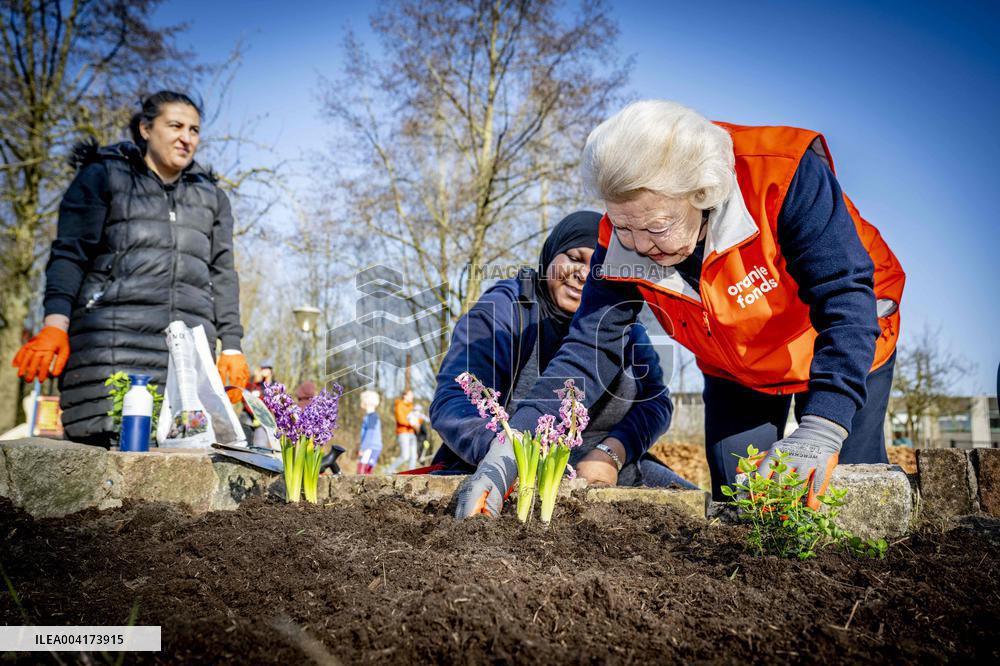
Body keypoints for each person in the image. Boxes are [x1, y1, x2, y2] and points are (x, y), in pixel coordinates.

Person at [455, 101, 905, 518]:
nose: (638, 246)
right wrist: (513, 447)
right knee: (741, 505)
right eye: (622, 225)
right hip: (738, 364)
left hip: (843, 336)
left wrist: (824, 426)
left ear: (702, 192)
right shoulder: (623, 245)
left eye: (657, 225)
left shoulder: (783, 176)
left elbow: (844, 298)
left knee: (845, 498)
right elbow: (586, 353)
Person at [10, 91, 249, 446]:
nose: (187, 137)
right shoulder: (104, 175)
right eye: (175, 125)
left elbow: (223, 273)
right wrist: (54, 324)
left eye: (195, 130)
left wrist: (231, 346)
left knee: (178, 481)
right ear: (145, 128)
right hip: (108, 354)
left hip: (183, 364)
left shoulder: (212, 198)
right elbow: (70, 253)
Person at [435, 211, 695, 515]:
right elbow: (453, 401)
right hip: (505, 462)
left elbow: (656, 402)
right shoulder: (505, 311)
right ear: (550, 254)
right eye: (573, 257)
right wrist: (508, 455)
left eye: (595, 265)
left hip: (599, 468)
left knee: (698, 512)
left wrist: (611, 453)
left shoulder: (622, 324)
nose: (583, 274)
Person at [390, 389, 418, 472]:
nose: (412, 397)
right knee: (405, 456)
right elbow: (401, 420)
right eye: (410, 395)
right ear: (404, 396)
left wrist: (418, 421)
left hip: (412, 433)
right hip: (403, 433)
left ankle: (411, 473)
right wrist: (412, 423)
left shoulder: (412, 406)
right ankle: (389, 470)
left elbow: (417, 419)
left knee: (413, 457)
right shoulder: (399, 405)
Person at [357, 390, 383, 475]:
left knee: (363, 471)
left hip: (371, 447)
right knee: (364, 471)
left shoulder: (372, 417)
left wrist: (363, 448)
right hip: (370, 446)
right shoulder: (369, 416)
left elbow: (370, 434)